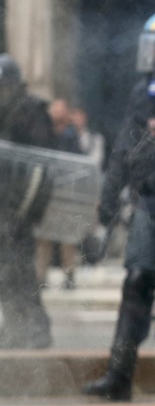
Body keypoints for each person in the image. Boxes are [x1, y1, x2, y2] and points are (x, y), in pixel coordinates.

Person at [82, 9, 155, 400]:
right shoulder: (142, 92)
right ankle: (118, 376)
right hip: (152, 203)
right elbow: (122, 148)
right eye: (154, 47)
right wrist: (109, 194)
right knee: (136, 284)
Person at [0, 53, 57, 349]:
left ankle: (36, 329)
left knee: (20, 271)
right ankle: (15, 327)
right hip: (4, 206)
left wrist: (27, 210)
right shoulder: (5, 111)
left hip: (21, 207)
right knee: (6, 273)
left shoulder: (30, 111)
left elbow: (41, 166)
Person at [35, 99, 83, 290]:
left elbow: (77, 159)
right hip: (47, 192)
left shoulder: (71, 135)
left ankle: (69, 276)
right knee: (43, 239)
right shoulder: (44, 132)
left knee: (67, 239)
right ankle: (40, 278)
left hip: (66, 192)